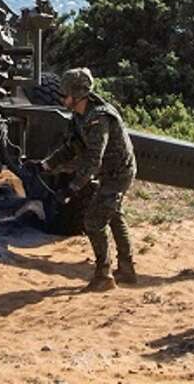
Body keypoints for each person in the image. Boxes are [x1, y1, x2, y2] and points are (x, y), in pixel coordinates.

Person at [37, 67, 137, 291]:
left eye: (65, 94)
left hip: (119, 172)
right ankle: (127, 268)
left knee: (93, 221)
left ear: (77, 94)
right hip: (111, 171)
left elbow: (93, 160)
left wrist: (72, 188)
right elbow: (72, 147)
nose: (62, 98)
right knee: (114, 214)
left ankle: (104, 276)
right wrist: (46, 164)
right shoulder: (80, 115)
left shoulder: (99, 118)